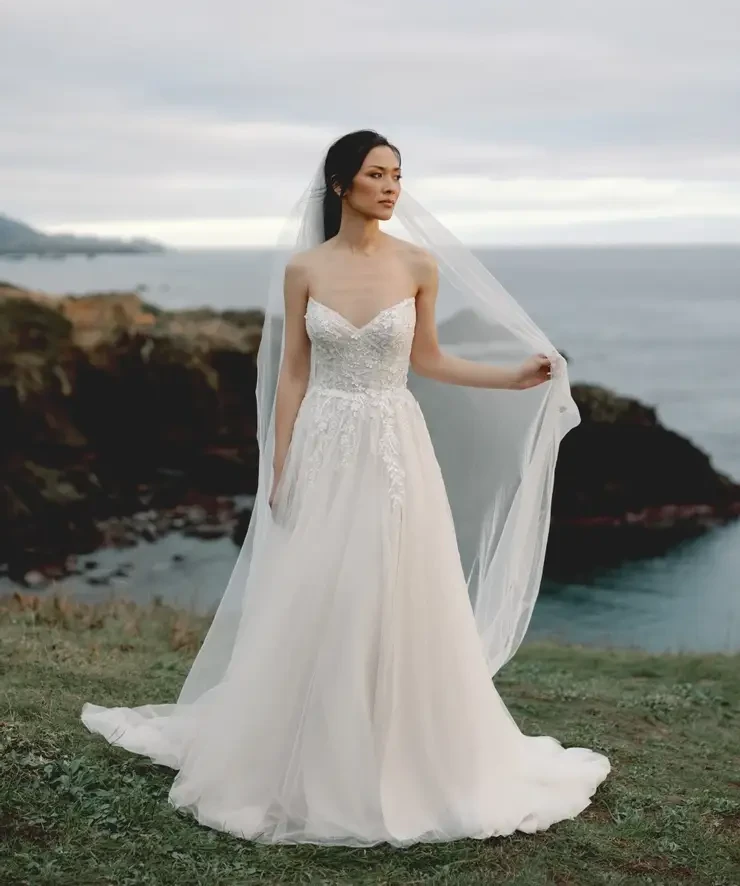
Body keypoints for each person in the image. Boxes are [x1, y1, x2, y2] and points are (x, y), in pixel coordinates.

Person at [81, 131, 610, 847]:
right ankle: (305, 747)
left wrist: (510, 378)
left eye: (397, 175)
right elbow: (293, 372)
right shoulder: (304, 269)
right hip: (324, 442)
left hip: (394, 443)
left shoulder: (418, 264)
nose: (391, 188)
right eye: (376, 174)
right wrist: (280, 463)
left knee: (393, 585)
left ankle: (396, 747)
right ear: (341, 185)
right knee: (319, 585)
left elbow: (428, 359)